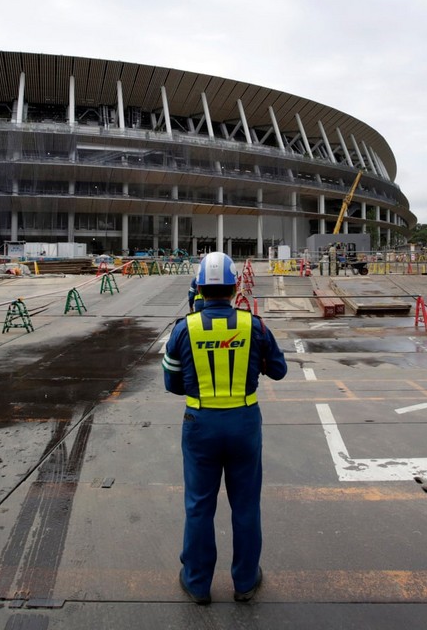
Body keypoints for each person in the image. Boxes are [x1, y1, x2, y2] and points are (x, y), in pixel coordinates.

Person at [162, 252, 287, 605]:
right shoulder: (256, 326)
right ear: (235, 288)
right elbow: (279, 371)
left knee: (199, 505)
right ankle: (245, 581)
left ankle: (198, 582)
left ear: (200, 286)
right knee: (245, 505)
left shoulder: (184, 329)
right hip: (244, 423)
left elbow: (171, 383)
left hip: (200, 423)